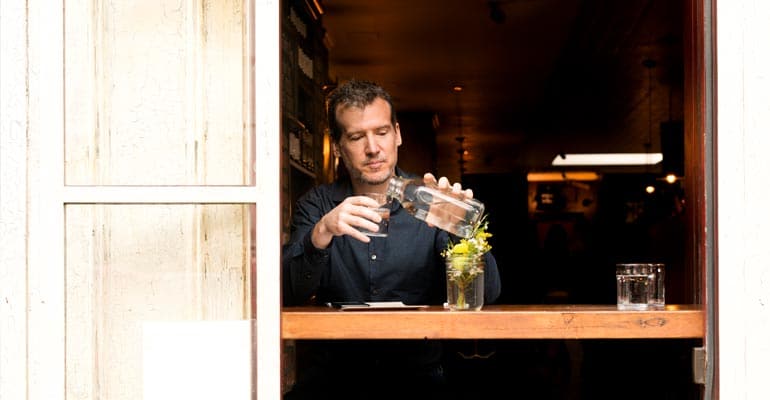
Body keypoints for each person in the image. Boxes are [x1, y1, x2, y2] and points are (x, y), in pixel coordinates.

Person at [281, 79, 501, 399]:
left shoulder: (435, 203)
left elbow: (489, 293)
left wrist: (461, 232)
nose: (373, 148)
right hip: (337, 377)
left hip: (418, 376)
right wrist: (322, 233)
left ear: (397, 134)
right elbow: (286, 293)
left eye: (381, 132)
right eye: (357, 137)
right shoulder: (317, 206)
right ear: (340, 146)